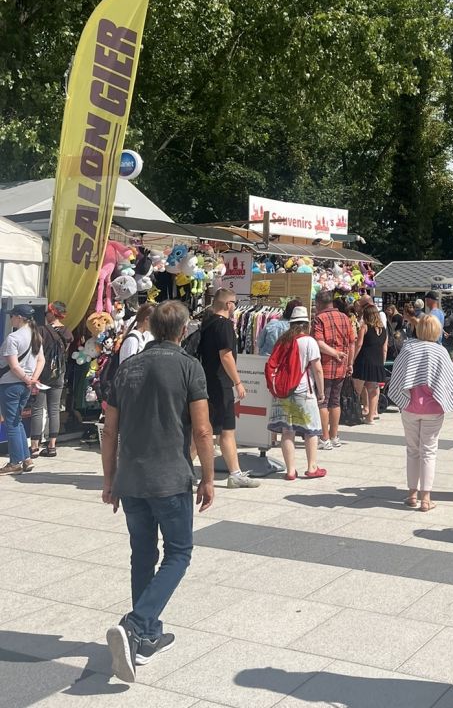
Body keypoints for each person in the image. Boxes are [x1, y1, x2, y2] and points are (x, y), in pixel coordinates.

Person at [102, 300, 215, 683]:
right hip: (169, 477)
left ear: (150, 328)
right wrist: (210, 476)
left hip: (131, 477)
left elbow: (110, 430)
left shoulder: (127, 367)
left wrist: (108, 479)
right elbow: (202, 430)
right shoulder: (189, 367)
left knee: (142, 554)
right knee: (179, 553)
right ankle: (136, 624)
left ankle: (146, 635)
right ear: (182, 330)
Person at [388, 313, 453, 512]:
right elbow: (451, 379)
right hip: (433, 408)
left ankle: (412, 494)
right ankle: (426, 499)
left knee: (412, 450)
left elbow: (398, 374)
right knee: (429, 451)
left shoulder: (409, 348)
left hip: (410, 406)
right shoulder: (439, 352)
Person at [197, 288, 260, 488]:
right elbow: (226, 355)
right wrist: (238, 382)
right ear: (228, 304)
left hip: (206, 381)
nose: (235, 307)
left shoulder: (206, 323)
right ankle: (235, 473)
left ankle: (185, 469)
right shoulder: (224, 325)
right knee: (227, 430)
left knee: (202, 429)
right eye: (235, 303)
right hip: (220, 383)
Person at [266, 306, 327, 480]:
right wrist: (321, 392)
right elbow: (318, 369)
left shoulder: (283, 340)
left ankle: (290, 471)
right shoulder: (309, 341)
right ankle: (312, 467)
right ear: (306, 324)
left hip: (283, 392)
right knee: (311, 431)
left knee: (287, 432)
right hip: (303, 392)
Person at [0, 303, 43, 475]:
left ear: (19, 317)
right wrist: (32, 379)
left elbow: (13, 366)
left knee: (11, 423)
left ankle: (15, 462)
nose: (11, 319)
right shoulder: (36, 336)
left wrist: (26, 379)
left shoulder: (13, 338)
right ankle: (26, 458)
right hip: (26, 385)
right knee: (16, 421)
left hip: (10, 384)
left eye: (12, 316)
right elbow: (41, 361)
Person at [29, 301, 72, 459]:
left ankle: (34, 447)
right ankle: (52, 446)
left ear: (53, 313)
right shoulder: (67, 332)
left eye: (48, 311)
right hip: (58, 374)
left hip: (42, 374)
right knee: (54, 410)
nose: (46, 314)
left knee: (37, 410)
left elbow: (35, 351)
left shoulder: (41, 330)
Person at [314, 290, 355, 450]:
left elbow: (319, 342)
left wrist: (334, 353)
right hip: (342, 366)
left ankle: (324, 438)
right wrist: (349, 362)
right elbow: (352, 342)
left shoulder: (319, 318)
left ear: (318, 303)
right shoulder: (345, 318)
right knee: (335, 401)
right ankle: (334, 435)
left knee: (323, 401)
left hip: (324, 366)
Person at [352, 303, 388, 423]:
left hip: (364, 361)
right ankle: (370, 417)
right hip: (377, 363)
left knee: (356, 389)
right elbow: (384, 349)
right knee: (373, 390)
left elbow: (359, 344)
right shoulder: (384, 330)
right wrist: (381, 363)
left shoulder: (365, 327)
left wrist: (352, 360)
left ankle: (355, 414)